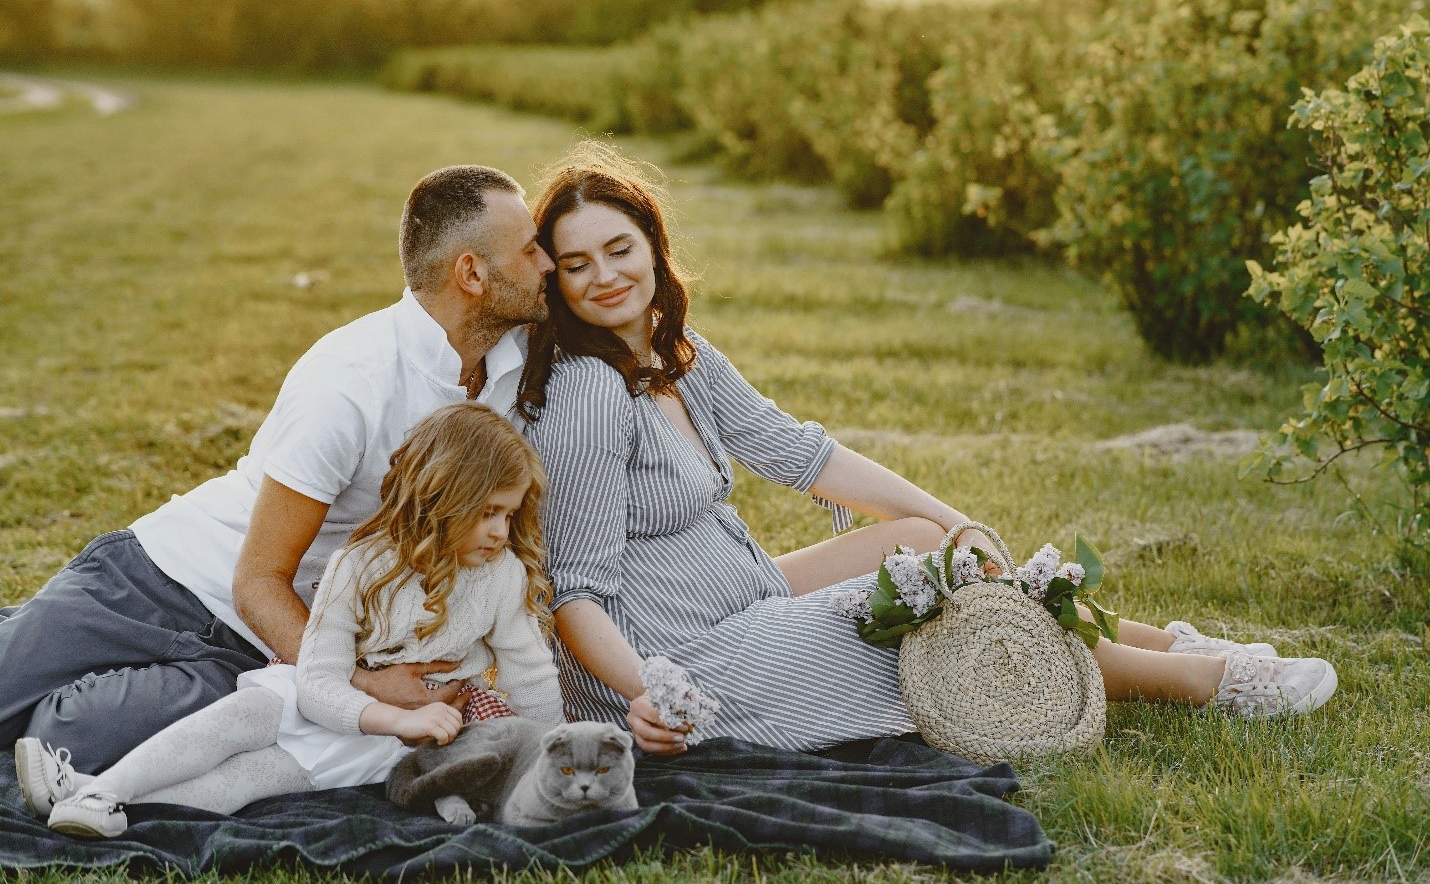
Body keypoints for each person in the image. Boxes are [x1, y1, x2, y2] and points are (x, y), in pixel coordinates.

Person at [518, 142, 1338, 756]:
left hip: (747, 597)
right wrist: (651, 691)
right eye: (577, 264)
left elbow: (803, 454)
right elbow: (575, 595)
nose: (604, 277)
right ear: (556, 282)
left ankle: (1170, 642)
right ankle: (1205, 683)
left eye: (619, 249)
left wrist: (960, 520)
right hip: (690, 659)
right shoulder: (590, 392)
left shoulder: (676, 353)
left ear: (652, 245)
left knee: (926, 544)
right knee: (932, 602)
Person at [0, 166, 554, 774]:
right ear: (471, 273)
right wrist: (358, 683)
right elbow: (258, 579)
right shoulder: (352, 380)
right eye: (530, 250)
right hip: (160, 581)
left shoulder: (511, 367)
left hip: (255, 648)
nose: (548, 263)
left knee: (66, 742)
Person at [21, 402, 562, 838]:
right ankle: (103, 790)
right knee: (230, 723)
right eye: (487, 513)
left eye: (509, 514)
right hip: (321, 696)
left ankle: (91, 802)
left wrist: (550, 754)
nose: (500, 532)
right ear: (440, 499)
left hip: (386, 743)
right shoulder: (360, 566)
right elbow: (318, 678)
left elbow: (529, 671)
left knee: (244, 783)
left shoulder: (502, 576)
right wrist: (391, 717)